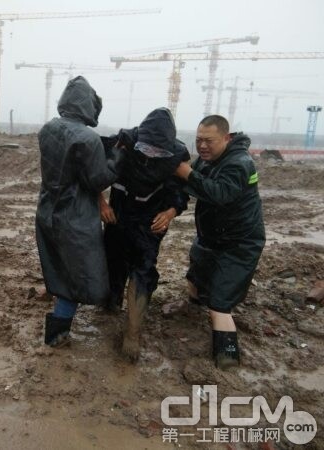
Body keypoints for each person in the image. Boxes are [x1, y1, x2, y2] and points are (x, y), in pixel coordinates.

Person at [36, 76, 125, 347]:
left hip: (48, 209)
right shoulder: (87, 138)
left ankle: (57, 331)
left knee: (60, 269)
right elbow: (98, 179)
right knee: (81, 274)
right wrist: (117, 157)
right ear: (89, 106)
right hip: (76, 217)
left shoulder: (47, 129)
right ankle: (57, 334)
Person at [99, 107, 190, 362]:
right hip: (117, 215)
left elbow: (182, 192)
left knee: (143, 270)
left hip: (150, 222)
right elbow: (92, 175)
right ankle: (111, 302)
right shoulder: (123, 144)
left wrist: (171, 212)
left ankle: (133, 331)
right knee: (113, 263)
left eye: (157, 151)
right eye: (147, 148)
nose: (150, 155)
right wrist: (101, 203)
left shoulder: (176, 157)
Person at [174, 115, 265, 369]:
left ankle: (227, 352)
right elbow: (189, 184)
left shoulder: (239, 163)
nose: (202, 146)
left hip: (239, 242)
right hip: (211, 236)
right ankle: (192, 308)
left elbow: (220, 194)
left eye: (209, 141)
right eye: (199, 140)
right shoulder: (207, 160)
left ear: (226, 138)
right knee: (196, 275)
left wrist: (187, 173)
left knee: (220, 301)